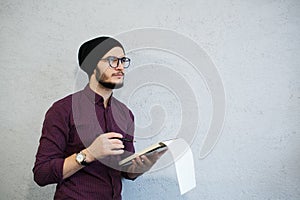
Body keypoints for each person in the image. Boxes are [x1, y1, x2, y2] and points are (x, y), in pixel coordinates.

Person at [33, 36, 162, 200]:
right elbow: (41, 174)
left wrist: (140, 167)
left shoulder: (125, 114)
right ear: (91, 65)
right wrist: (89, 154)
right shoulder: (63, 110)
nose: (120, 67)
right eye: (112, 60)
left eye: (123, 60)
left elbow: (125, 171)